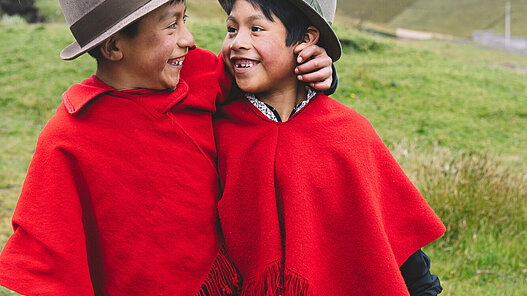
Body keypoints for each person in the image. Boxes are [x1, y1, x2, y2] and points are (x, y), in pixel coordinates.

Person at [0, 0, 336, 295]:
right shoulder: (67, 138)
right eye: (171, 25)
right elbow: (49, 259)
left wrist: (314, 67)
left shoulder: (200, 74)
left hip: (222, 283)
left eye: (184, 19)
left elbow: (262, 68)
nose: (188, 39)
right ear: (114, 47)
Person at [213, 0, 446, 295]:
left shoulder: (348, 134)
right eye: (231, 28)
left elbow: (403, 262)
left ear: (307, 40)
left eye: (256, 28)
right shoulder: (217, 129)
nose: (238, 42)